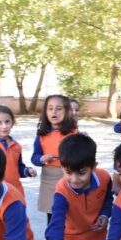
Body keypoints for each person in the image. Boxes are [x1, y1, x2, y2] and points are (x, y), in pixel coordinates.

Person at [45, 133, 112, 240]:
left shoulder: (104, 178)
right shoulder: (62, 192)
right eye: (68, 172)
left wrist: (105, 214)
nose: (74, 179)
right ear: (61, 167)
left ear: (93, 167)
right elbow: (56, 225)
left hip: (96, 238)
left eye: (81, 173)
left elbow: (108, 198)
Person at [31, 94, 78, 223]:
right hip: (49, 179)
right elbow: (34, 157)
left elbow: (81, 156)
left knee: (70, 215)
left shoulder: (74, 133)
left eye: (59, 108)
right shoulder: (42, 135)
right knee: (52, 216)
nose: (54, 112)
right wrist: (41, 159)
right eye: (50, 108)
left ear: (67, 111)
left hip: (69, 178)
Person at [0, 105, 37, 196]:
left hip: (15, 191)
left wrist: (27, 171)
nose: (4, 126)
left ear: (12, 123)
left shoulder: (16, 146)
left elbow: (19, 167)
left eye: (7, 122)